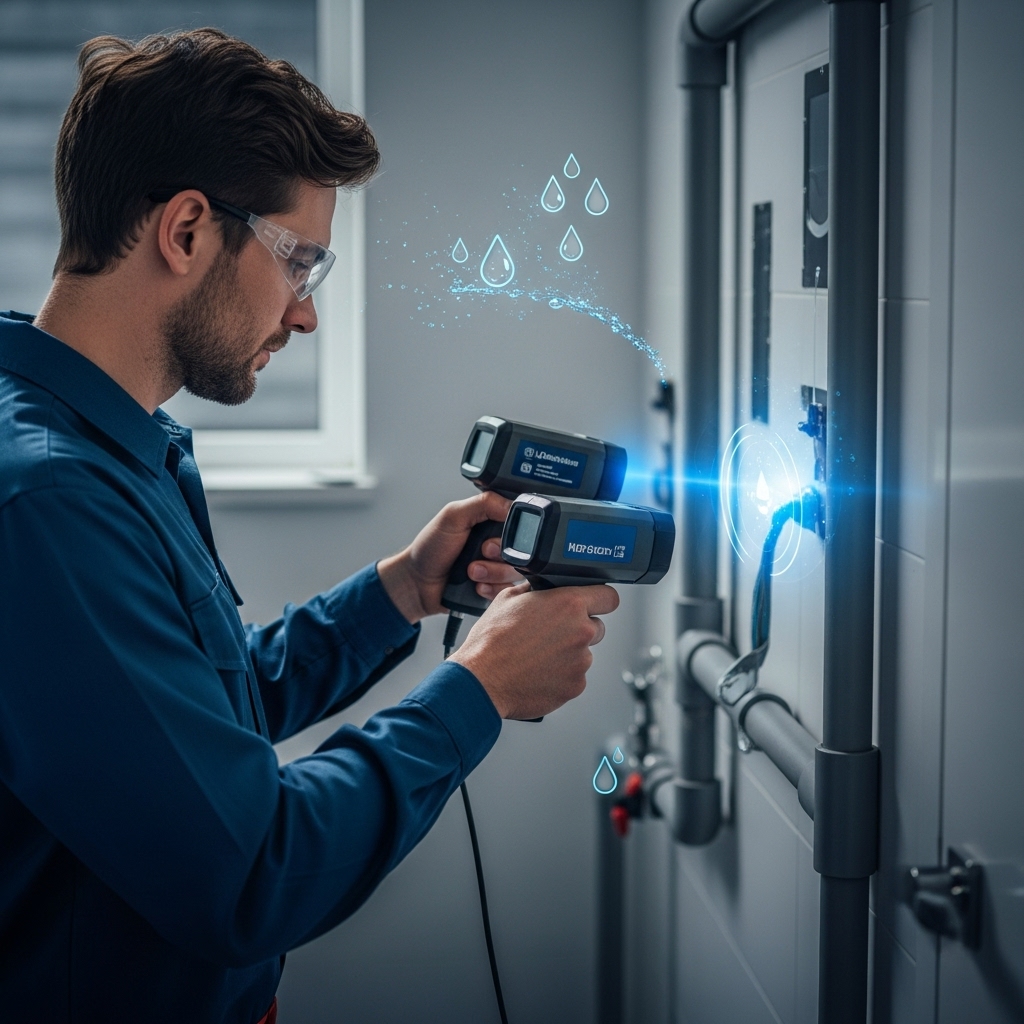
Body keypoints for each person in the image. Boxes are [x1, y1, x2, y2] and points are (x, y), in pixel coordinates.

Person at [0, 28, 619, 1024]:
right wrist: (479, 690)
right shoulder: (50, 503)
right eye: (301, 264)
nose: (304, 315)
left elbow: (199, 712)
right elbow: (250, 874)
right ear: (188, 230)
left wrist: (404, 592)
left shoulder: (114, 445)